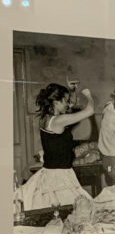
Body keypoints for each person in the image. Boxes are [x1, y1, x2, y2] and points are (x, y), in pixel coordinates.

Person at [18, 82, 94, 210]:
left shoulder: (46, 118)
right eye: (65, 101)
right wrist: (88, 95)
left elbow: (70, 106)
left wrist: (72, 91)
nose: (68, 104)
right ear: (56, 102)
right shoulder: (59, 121)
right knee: (76, 212)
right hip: (60, 176)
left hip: (49, 172)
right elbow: (90, 110)